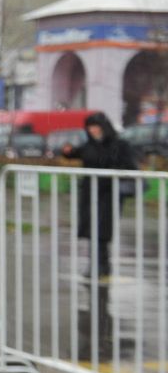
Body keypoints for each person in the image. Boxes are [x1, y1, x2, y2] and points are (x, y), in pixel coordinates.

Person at [58, 112, 140, 280]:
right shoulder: (89, 146)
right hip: (90, 193)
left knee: (102, 231)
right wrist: (67, 151)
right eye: (90, 127)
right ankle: (96, 266)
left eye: (96, 126)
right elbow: (74, 153)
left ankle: (102, 265)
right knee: (91, 230)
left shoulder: (119, 145)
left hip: (109, 193)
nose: (93, 130)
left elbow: (130, 165)